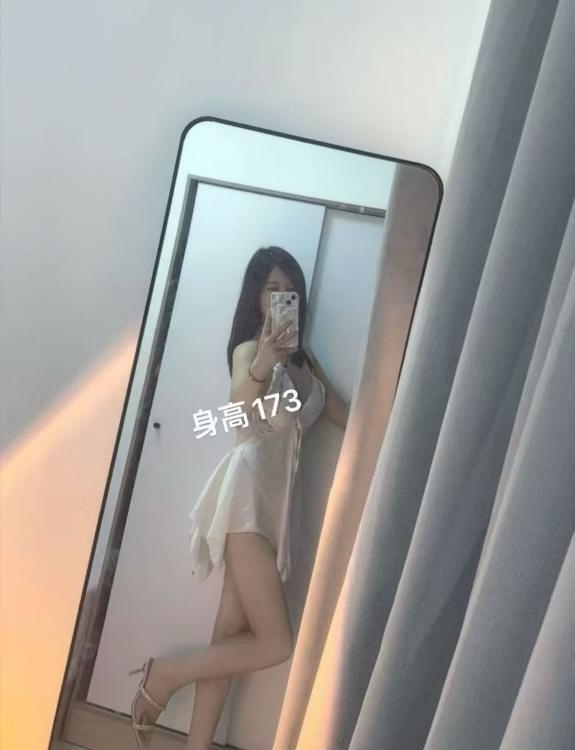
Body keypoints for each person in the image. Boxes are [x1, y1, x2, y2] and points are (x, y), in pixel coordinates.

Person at [129, 246, 349, 749]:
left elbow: (345, 414)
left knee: (229, 636)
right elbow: (239, 409)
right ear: (257, 296)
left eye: (290, 289)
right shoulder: (249, 352)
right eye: (273, 288)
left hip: (277, 513)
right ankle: (164, 675)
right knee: (276, 642)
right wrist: (264, 364)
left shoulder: (307, 364)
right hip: (246, 499)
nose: (282, 296)